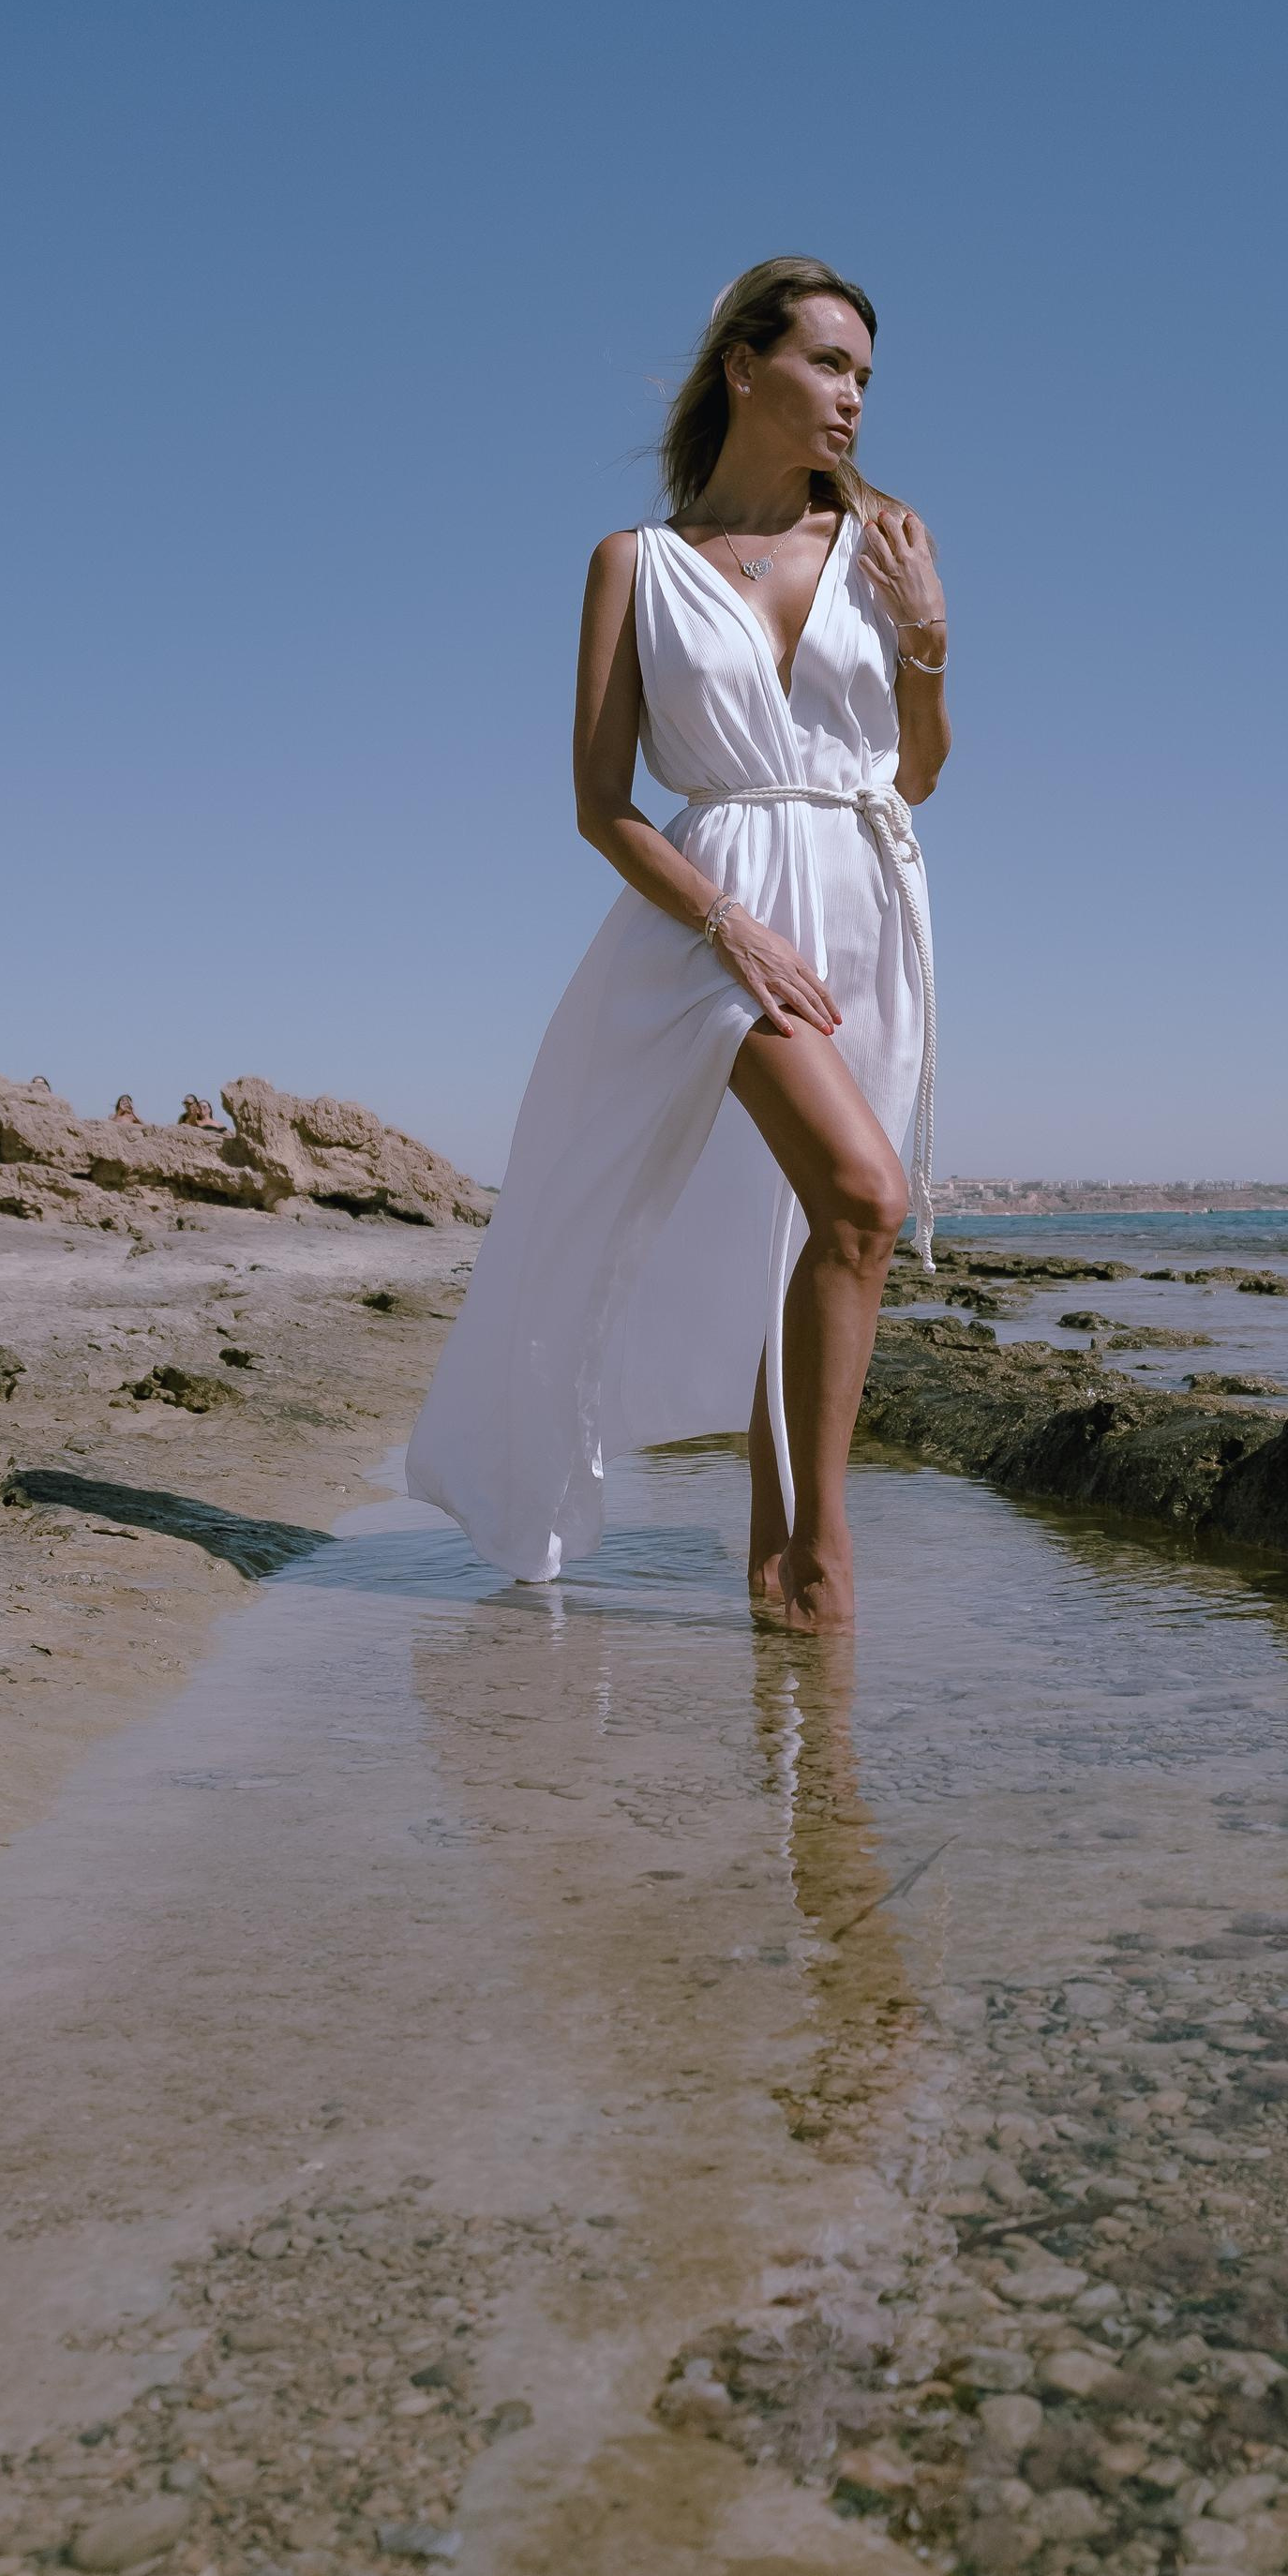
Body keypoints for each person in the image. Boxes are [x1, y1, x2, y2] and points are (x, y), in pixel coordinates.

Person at [407, 256, 950, 1630]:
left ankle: (775, 1568)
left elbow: (916, 774)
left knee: (818, 1231)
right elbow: (600, 807)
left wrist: (930, 642)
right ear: (743, 367)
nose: (853, 399)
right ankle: (824, 1563)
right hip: (719, 911)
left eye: (867, 379)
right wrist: (730, 928)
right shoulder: (634, 567)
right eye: (829, 365)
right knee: (868, 1196)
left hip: (868, 901)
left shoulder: (880, 539)